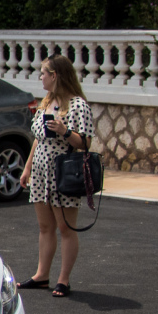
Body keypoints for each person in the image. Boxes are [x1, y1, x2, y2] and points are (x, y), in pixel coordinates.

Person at [18, 53, 96, 298]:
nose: (40, 77)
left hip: (64, 173)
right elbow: (38, 140)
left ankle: (64, 279)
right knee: (44, 226)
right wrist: (27, 167)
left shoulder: (78, 105)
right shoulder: (46, 102)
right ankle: (42, 275)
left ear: (55, 76)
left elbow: (86, 143)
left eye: (43, 73)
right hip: (41, 172)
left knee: (65, 227)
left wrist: (65, 131)